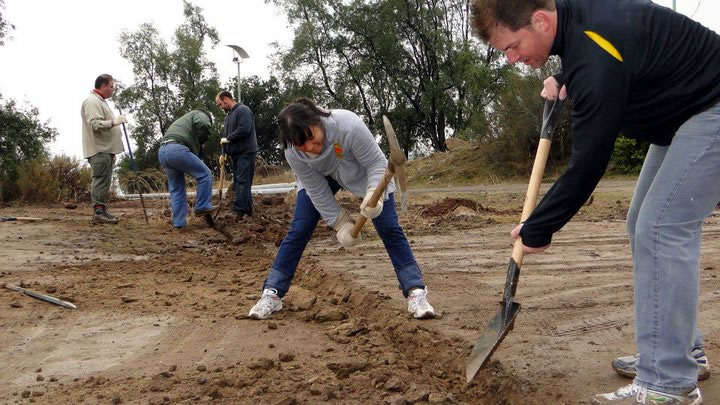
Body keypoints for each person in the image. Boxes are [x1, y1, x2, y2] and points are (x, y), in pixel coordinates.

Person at [470, 0, 720, 403]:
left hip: (711, 108)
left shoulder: (593, 54)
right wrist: (563, 74)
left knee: (661, 226)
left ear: (540, 20)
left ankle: (668, 385)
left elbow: (588, 163)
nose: (513, 59)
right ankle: (679, 351)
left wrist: (540, 226)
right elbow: (608, 45)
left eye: (512, 47)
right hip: (687, 113)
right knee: (641, 221)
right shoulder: (578, 25)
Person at [248, 98, 435, 321]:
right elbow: (316, 188)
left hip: (363, 173)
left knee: (388, 227)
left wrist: (373, 194)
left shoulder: (348, 126)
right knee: (300, 229)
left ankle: (416, 291)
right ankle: (273, 292)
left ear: (317, 121)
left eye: (311, 138)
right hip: (321, 179)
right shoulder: (292, 152)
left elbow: (376, 164)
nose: (310, 148)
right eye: (301, 145)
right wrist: (340, 223)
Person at [158, 110, 217, 229]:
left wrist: (199, 150)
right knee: (205, 174)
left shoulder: (183, 121)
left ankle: (179, 224)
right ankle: (202, 206)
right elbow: (204, 124)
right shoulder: (201, 114)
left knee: (176, 188)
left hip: (163, 152)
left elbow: (193, 144)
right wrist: (202, 139)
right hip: (176, 150)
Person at [81, 74, 126, 224]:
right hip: (99, 149)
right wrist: (114, 122)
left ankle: (102, 210)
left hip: (105, 149)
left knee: (104, 180)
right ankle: (99, 212)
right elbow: (95, 124)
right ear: (103, 86)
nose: (113, 90)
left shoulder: (100, 102)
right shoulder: (92, 101)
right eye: (112, 87)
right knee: (100, 180)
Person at [215, 91, 257, 219]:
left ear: (226, 99)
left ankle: (242, 211)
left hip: (246, 151)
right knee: (238, 181)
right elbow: (226, 138)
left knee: (243, 181)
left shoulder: (243, 110)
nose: (220, 107)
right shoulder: (228, 117)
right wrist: (224, 153)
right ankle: (244, 209)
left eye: (220, 104)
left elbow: (245, 129)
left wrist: (228, 139)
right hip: (236, 154)